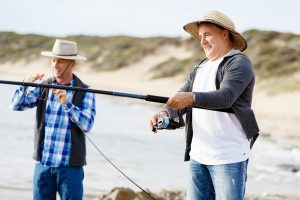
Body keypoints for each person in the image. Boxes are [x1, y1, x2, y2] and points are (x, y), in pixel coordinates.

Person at [150, 10, 259, 200]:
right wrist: (164, 113)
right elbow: (179, 100)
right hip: (198, 155)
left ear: (225, 34)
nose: (202, 41)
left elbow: (226, 97)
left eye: (207, 34)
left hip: (229, 157)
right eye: (200, 36)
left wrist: (190, 98)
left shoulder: (239, 62)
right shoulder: (200, 67)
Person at [10, 39, 96, 200]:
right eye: (53, 60)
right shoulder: (44, 86)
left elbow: (87, 125)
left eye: (60, 61)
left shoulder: (85, 91)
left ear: (72, 64)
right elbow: (15, 106)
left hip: (70, 168)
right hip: (43, 164)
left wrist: (67, 105)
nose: (55, 65)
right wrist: (25, 85)